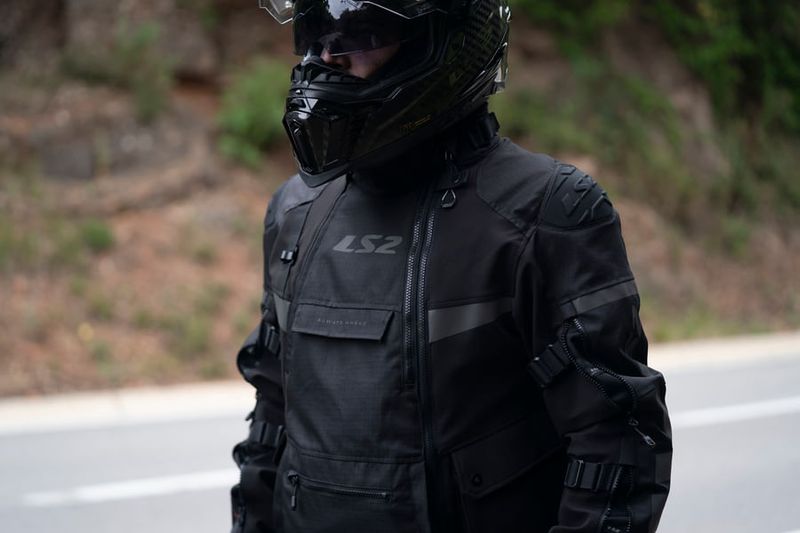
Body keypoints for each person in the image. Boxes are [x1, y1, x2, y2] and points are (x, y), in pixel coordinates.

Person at [230, 0, 673, 532]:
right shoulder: (295, 212)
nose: (327, 57)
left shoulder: (545, 211)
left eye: (361, 33)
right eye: (315, 31)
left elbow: (616, 442)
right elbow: (272, 420)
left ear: (443, 41)